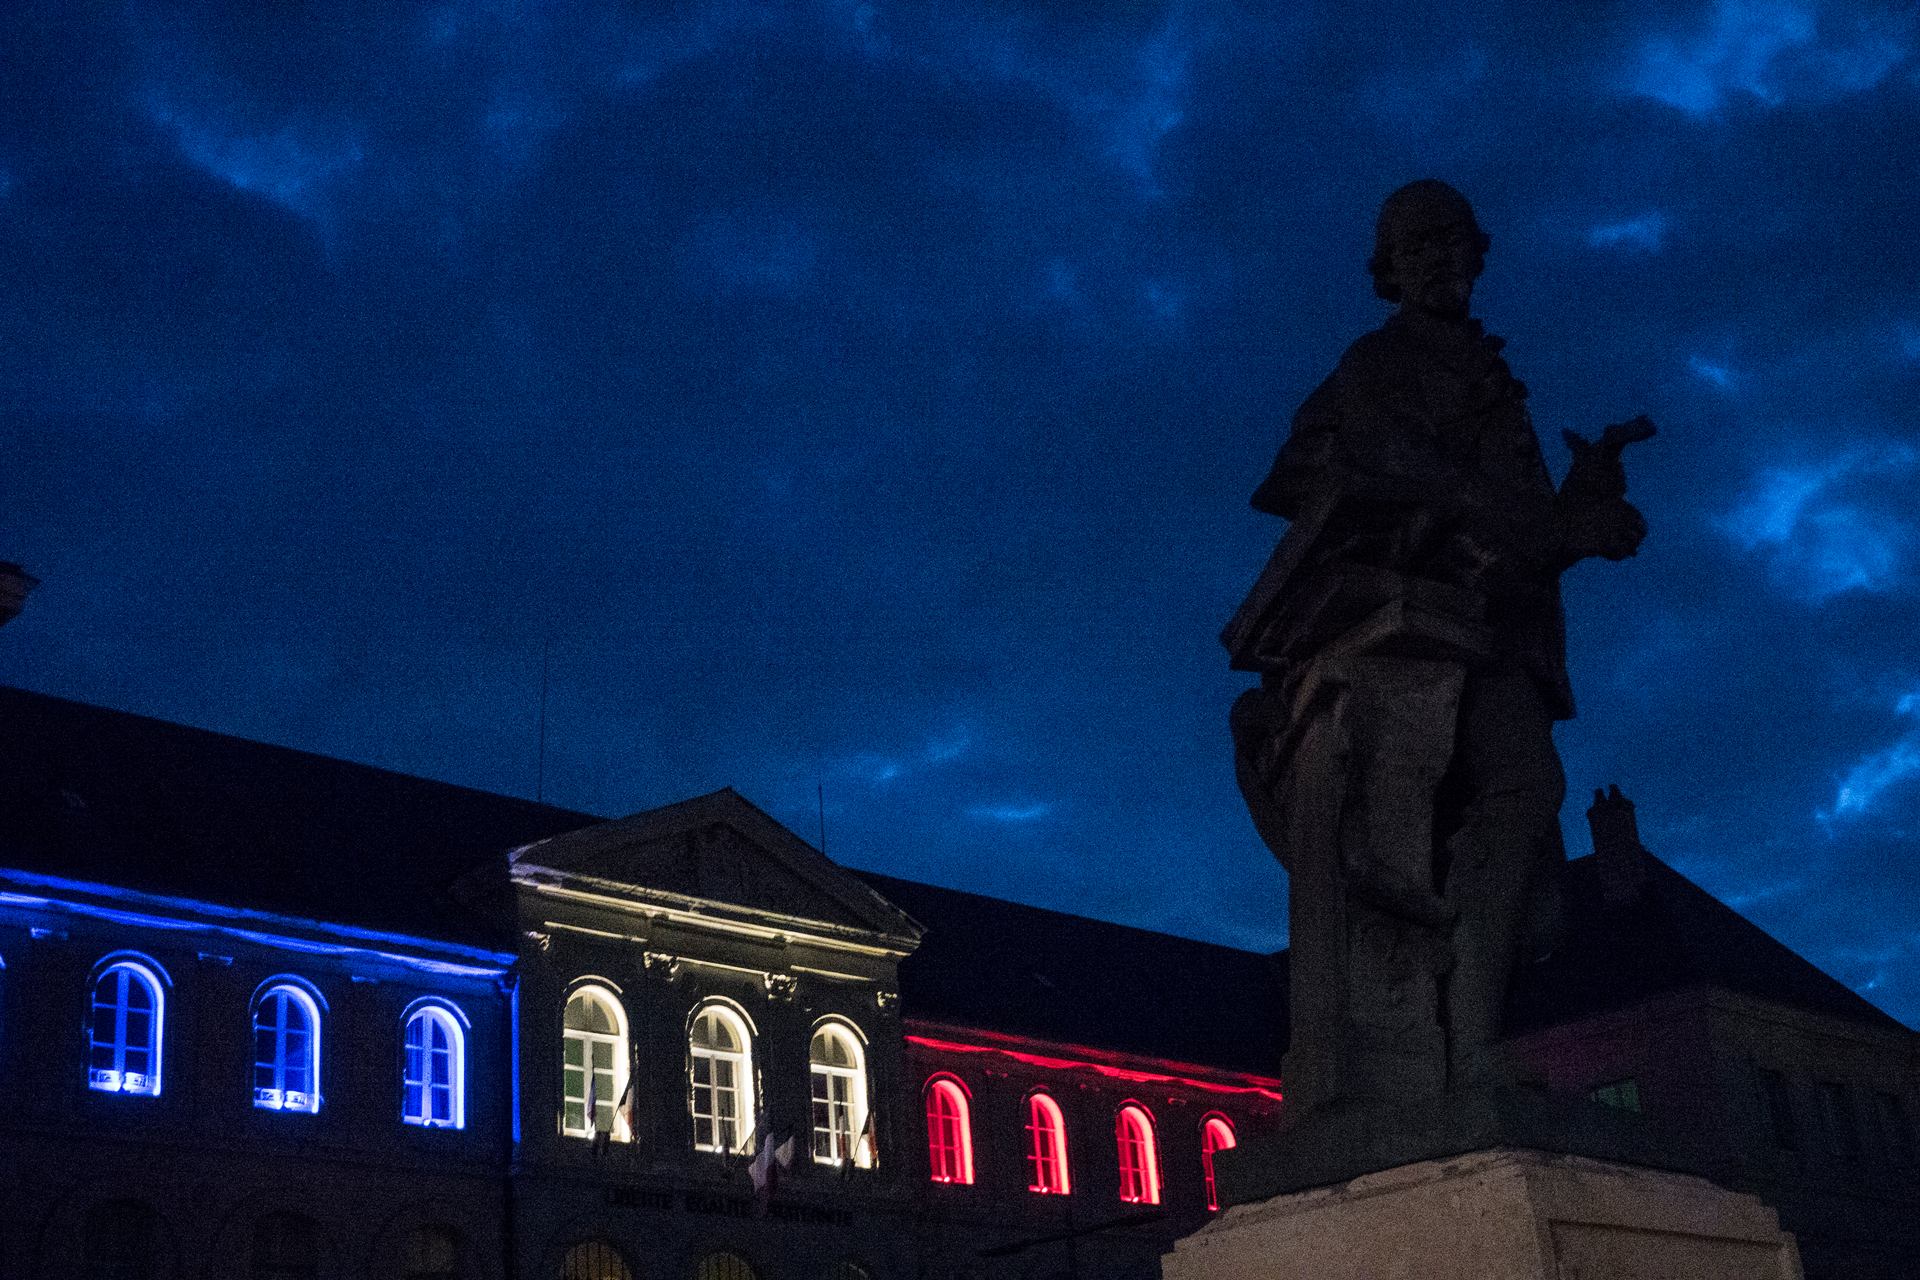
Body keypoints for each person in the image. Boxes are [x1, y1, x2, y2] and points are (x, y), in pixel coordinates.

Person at [1229, 180, 1650, 1108]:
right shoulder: (1374, 369)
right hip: (1415, 642)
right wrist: (1556, 528)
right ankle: (1465, 1050)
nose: (1435, 262)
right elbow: (1399, 483)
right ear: (1387, 271)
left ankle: (1468, 1043)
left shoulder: (1495, 380)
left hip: (1495, 634)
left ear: (1476, 255)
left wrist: (1579, 510)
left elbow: (1503, 531)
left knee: (1530, 877)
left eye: (1449, 244)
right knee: (1519, 789)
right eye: (1414, 249)